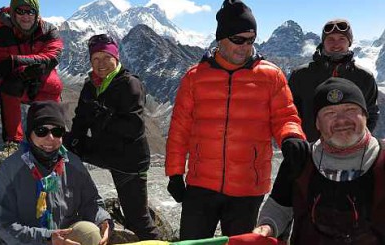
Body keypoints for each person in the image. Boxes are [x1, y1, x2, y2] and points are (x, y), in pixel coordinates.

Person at [164, 0, 306, 240]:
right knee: (193, 244)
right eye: (238, 40)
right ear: (221, 39)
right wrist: (175, 173)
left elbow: (285, 116)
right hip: (201, 186)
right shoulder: (195, 77)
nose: (245, 47)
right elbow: (180, 128)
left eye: (250, 41)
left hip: (248, 188)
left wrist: (291, 136)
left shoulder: (271, 76)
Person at [253, 77, 385, 244]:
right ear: (317, 123)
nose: (341, 120)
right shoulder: (301, 159)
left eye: (350, 110)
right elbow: (280, 206)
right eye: (330, 113)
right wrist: (266, 227)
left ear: (365, 115)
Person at [64, 34, 161, 240]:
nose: (100, 64)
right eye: (95, 59)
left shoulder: (129, 84)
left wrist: (103, 114)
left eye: (105, 57)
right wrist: (74, 139)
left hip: (129, 160)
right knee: (60, 142)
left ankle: (158, 243)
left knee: (137, 218)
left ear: (115, 58)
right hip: (106, 150)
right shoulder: (92, 85)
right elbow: (81, 118)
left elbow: (133, 127)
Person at [0, 101, 112, 244]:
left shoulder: (72, 163)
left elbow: (90, 202)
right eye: (41, 131)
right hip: (28, 241)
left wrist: (103, 220)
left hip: (63, 238)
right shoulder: (10, 169)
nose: (50, 138)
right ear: (29, 134)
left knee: (90, 232)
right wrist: (47, 238)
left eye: (57, 132)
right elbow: (4, 223)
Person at [0, 0, 63, 151]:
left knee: (54, 85)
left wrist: (15, 61)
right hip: (17, 81)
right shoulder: (3, 33)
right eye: (20, 11)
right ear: (13, 13)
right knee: (10, 86)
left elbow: (52, 57)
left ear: (37, 13)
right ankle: (13, 141)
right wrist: (24, 72)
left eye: (30, 11)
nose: (26, 16)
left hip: (42, 79)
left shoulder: (48, 29)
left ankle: (52, 140)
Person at [288, 18, 379, 142]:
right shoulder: (301, 75)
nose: (336, 44)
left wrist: (358, 142)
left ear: (349, 42)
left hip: (352, 151)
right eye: (330, 39)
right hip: (309, 150)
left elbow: (371, 113)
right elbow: (290, 112)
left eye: (342, 39)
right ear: (323, 42)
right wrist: (296, 140)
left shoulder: (364, 77)